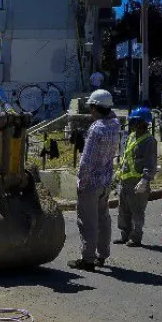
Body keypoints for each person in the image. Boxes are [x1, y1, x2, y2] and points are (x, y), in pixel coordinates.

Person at [69, 89, 121, 271]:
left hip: (91, 183)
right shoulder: (115, 125)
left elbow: (86, 161)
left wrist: (81, 183)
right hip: (105, 182)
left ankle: (88, 259)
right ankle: (102, 255)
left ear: (95, 108)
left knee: (88, 222)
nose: (90, 111)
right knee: (103, 219)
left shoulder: (96, 129)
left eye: (91, 107)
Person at [115, 107, 157, 247]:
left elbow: (150, 163)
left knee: (137, 212)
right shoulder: (131, 136)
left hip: (138, 182)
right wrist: (118, 173)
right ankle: (124, 235)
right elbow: (125, 157)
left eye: (136, 121)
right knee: (123, 211)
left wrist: (145, 180)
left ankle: (136, 238)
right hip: (125, 181)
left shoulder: (149, 141)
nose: (133, 123)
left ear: (143, 123)